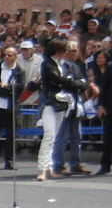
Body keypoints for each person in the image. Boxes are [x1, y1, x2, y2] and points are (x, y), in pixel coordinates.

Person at [37, 38, 84, 181]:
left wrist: (73, 82)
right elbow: (59, 80)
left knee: (54, 136)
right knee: (49, 136)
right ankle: (42, 169)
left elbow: (63, 79)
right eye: (63, 50)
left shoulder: (58, 64)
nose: (65, 53)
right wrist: (77, 83)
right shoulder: (48, 64)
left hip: (60, 102)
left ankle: (49, 167)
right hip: (50, 102)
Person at [52, 41, 92, 176]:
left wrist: (77, 84)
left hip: (76, 104)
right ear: (66, 52)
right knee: (61, 136)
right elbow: (64, 83)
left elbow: (83, 83)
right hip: (64, 105)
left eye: (76, 51)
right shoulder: (59, 66)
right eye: (72, 51)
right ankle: (58, 164)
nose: (75, 53)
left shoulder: (75, 67)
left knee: (77, 136)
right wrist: (76, 84)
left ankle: (75, 164)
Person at [92, 50, 112, 175]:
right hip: (110, 108)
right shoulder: (110, 67)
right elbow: (104, 88)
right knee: (108, 139)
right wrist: (101, 105)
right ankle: (105, 165)